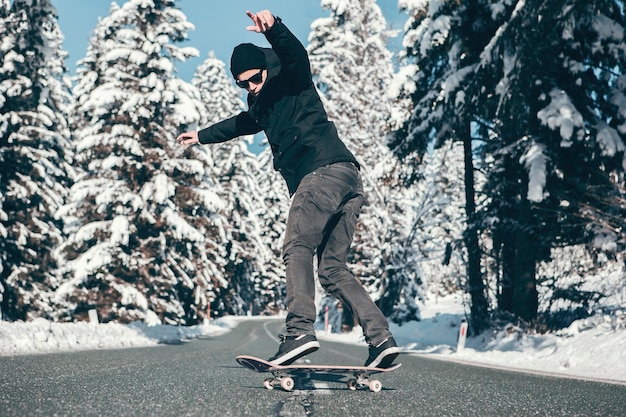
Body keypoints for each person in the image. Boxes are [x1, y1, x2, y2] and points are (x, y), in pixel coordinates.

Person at [176, 10, 399, 368]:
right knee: (332, 269)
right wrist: (200, 136)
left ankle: (298, 332)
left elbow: (297, 56)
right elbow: (239, 124)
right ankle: (381, 338)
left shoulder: (290, 77)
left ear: (265, 67)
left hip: (320, 173)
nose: (251, 87)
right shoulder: (261, 104)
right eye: (243, 84)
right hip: (347, 180)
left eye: (254, 78)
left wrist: (275, 29)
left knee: (296, 246)